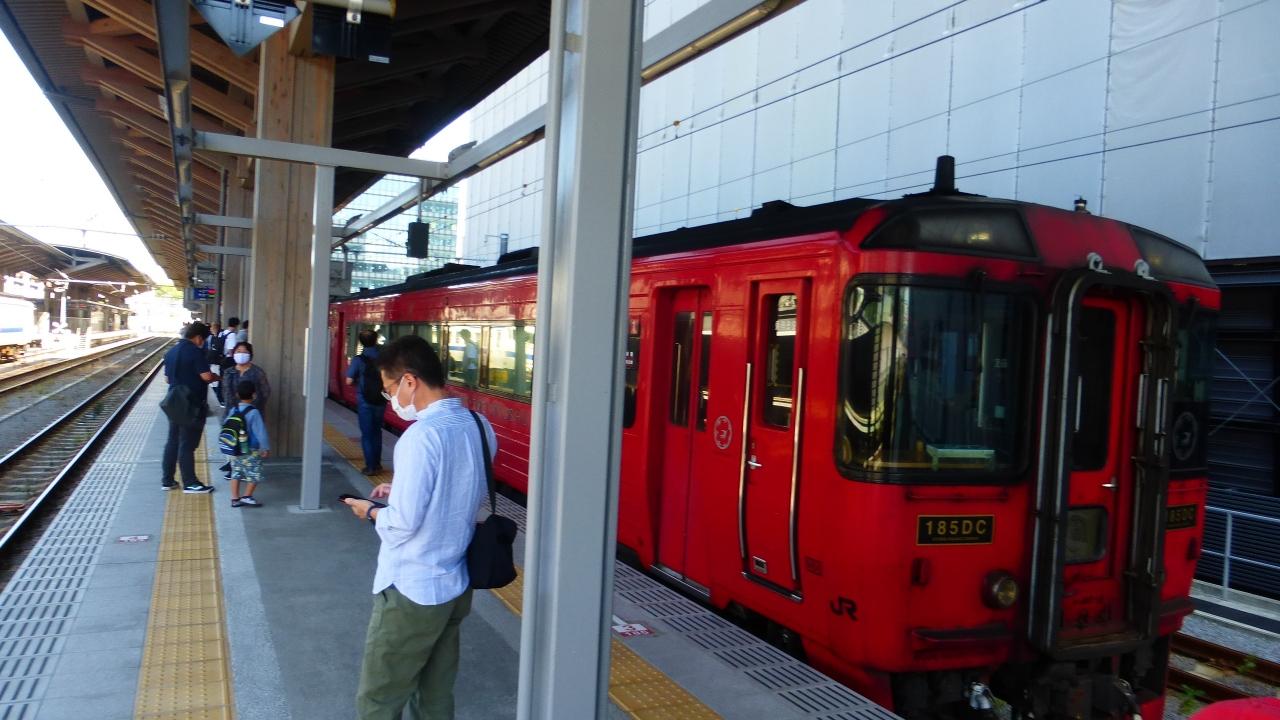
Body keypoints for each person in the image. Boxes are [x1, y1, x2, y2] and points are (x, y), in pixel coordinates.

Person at [343, 334, 496, 720]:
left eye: (389, 388)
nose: (390, 398)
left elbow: (401, 526)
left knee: (379, 699)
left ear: (410, 381)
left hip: (412, 589)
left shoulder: (420, 437)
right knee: (435, 695)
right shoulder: (479, 425)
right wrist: (400, 490)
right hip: (456, 584)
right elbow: (462, 487)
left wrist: (370, 511)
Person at [162, 322, 216, 493]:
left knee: (173, 441)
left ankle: (167, 480)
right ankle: (190, 483)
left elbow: (167, 379)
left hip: (173, 401)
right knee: (187, 443)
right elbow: (206, 376)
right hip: (191, 403)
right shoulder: (195, 352)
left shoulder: (171, 351)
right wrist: (216, 377)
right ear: (198, 337)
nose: (203, 343)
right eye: (203, 340)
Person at [345, 329, 387, 475]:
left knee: (367, 434)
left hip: (364, 401)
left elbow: (348, 381)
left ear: (361, 342)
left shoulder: (359, 360)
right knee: (377, 432)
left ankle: (370, 467)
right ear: (376, 340)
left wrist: (359, 381)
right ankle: (378, 464)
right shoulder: (384, 358)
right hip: (381, 400)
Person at [228, 380, 269, 508]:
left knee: (236, 473)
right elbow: (260, 432)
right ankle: (247, 496)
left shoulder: (233, 410)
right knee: (254, 473)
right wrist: (265, 448)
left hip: (235, 449)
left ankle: (235, 498)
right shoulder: (254, 412)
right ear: (254, 395)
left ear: (237, 394)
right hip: (251, 449)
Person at [207, 322, 225, 405]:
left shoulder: (219, 338)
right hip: (213, 362)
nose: (210, 329)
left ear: (215, 328)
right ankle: (220, 399)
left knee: (215, 382)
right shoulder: (213, 337)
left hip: (216, 362)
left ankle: (220, 399)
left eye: (211, 327)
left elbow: (217, 351)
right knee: (213, 382)